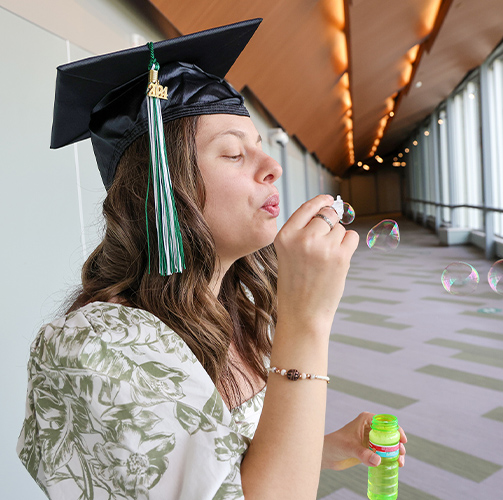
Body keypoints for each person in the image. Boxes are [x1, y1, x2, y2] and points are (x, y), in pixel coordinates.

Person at [17, 19, 406, 499]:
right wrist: (306, 322)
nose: (273, 168)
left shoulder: (232, 302)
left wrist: (321, 448)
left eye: (260, 148)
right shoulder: (99, 348)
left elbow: (219, 469)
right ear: (163, 189)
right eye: (233, 155)